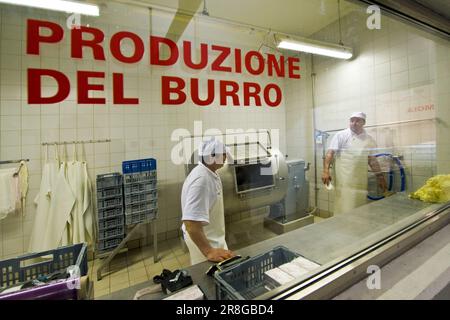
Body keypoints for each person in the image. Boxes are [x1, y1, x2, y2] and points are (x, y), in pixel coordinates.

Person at [181, 137, 235, 264]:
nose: (226, 156)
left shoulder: (210, 173)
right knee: (209, 278)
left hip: (213, 237)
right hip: (205, 241)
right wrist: (208, 251)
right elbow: (190, 223)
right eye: (223, 154)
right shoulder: (201, 180)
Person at [322, 112, 387, 215]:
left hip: (360, 179)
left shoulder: (368, 139)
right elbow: (330, 153)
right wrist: (326, 171)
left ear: (363, 122)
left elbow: (372, 160)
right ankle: (342, 226)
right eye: (352, 120)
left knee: (358, 204)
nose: (354, 123)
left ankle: (356, 227)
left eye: (357, 120)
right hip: (344, 178)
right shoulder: (341, 135)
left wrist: (380, 177)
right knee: (343, 204)